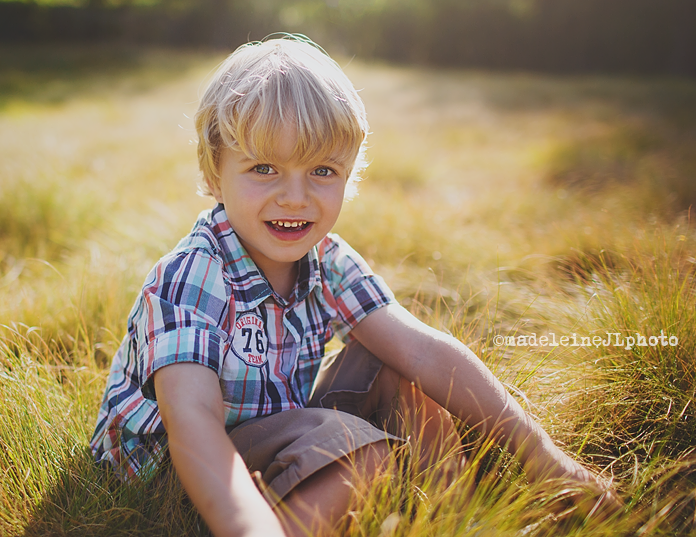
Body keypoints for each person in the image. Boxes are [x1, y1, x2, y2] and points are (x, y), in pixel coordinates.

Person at [90, 35, 620, 537]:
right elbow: (194, 421)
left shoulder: (327, 258)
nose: (295, 197)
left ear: (349, 174)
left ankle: (453, 514)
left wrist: (544, 457)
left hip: (267, 430)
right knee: (363, 454)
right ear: (214, 171)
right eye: (264, 168)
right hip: (178, 470)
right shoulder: (195, 274)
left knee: (404, 368)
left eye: (322, 170)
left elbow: (424, 351)